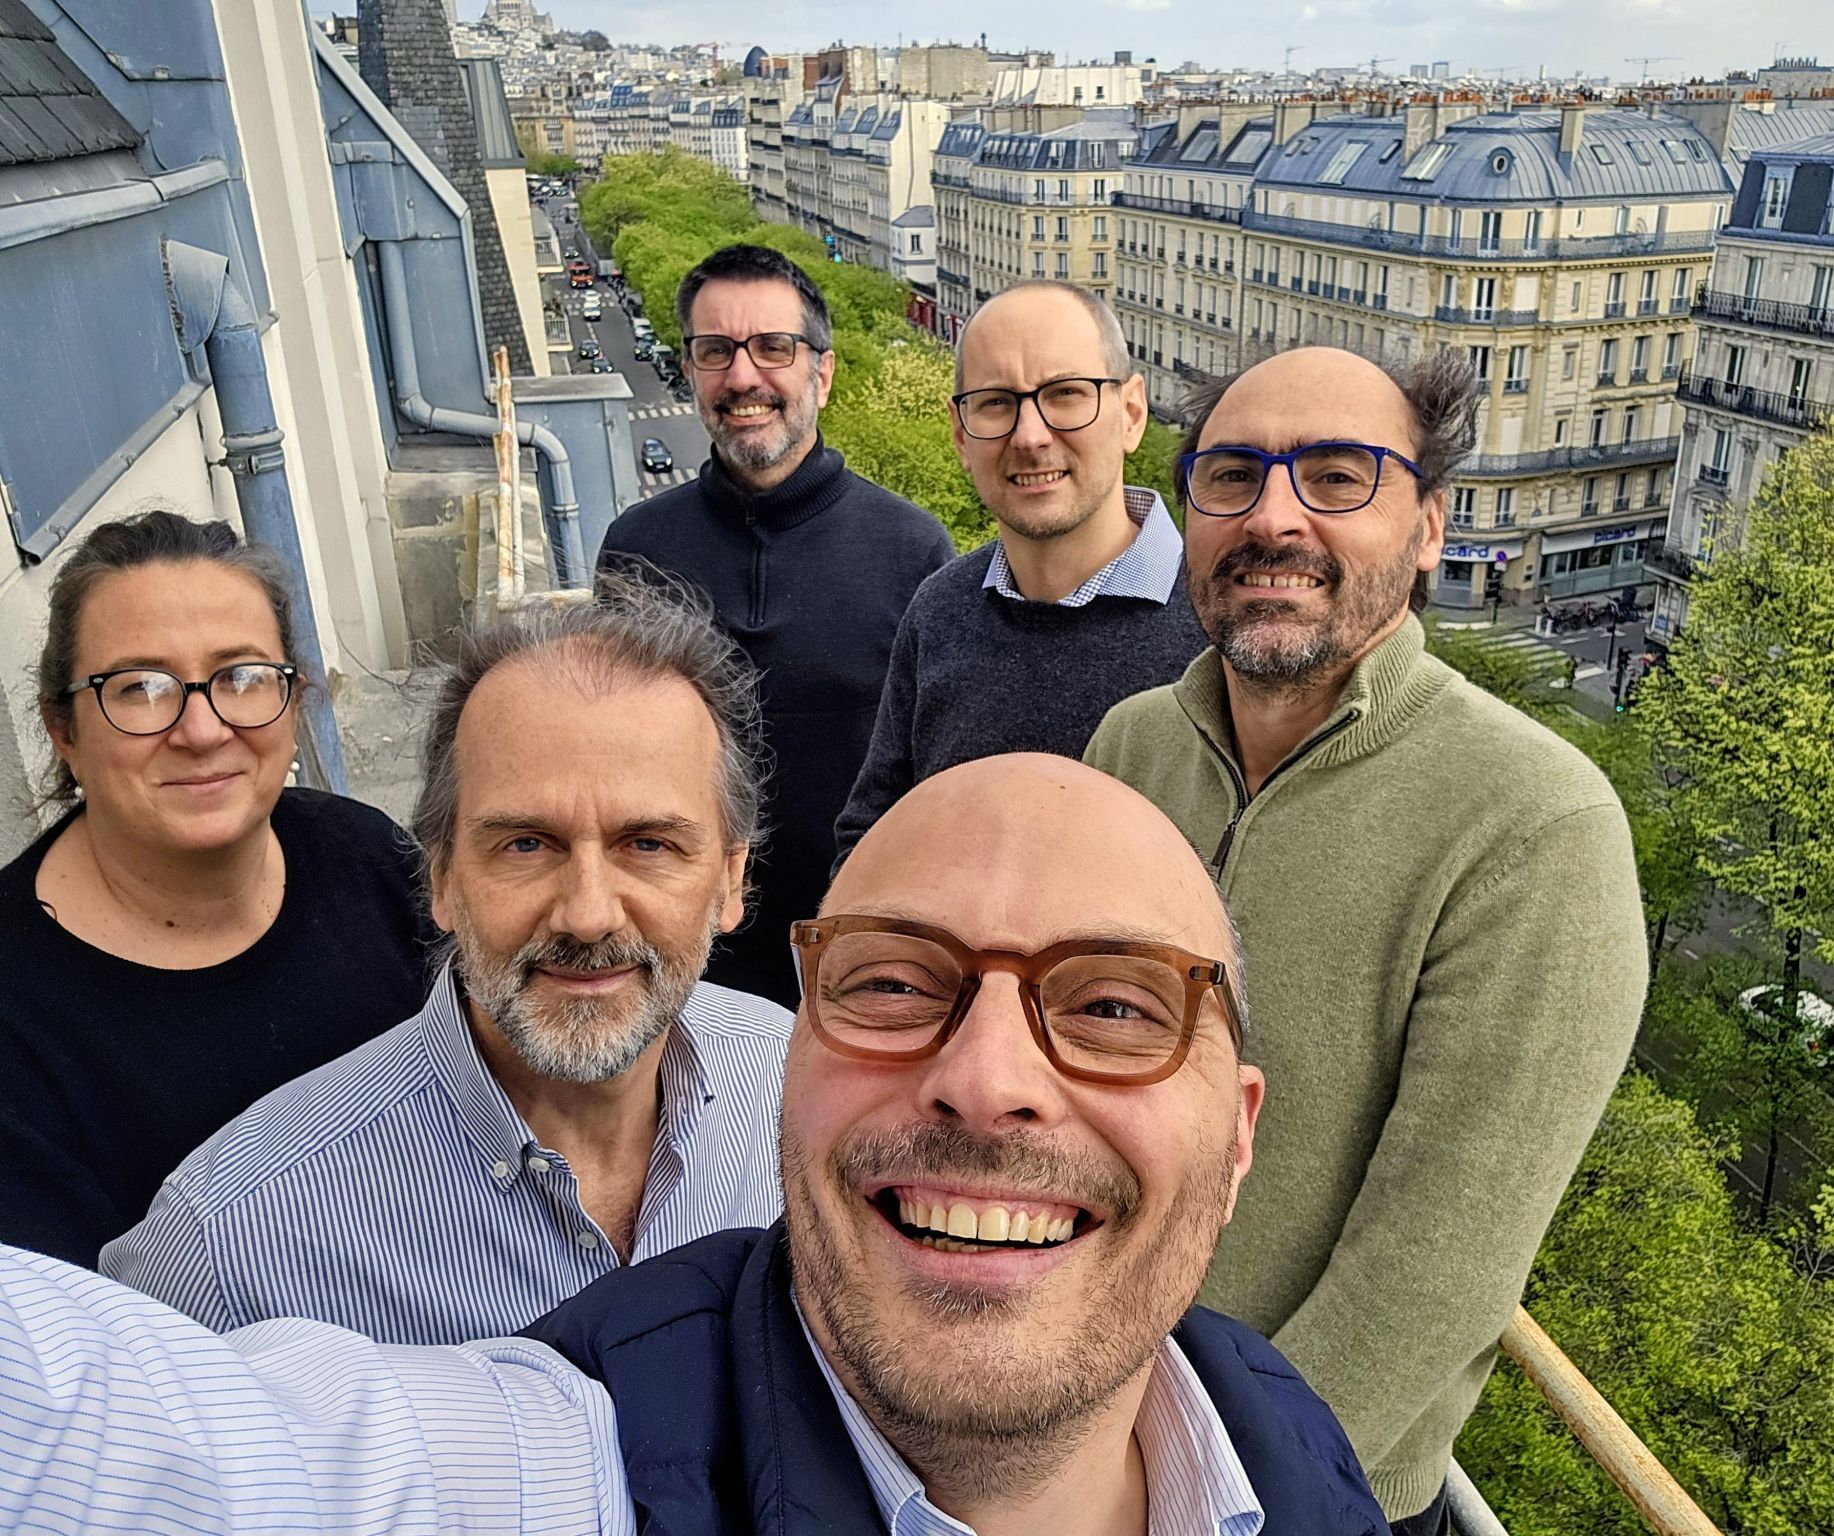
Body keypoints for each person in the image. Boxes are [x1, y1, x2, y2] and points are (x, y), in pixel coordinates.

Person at [0, 754, 1389, 1536]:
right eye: (891, 984)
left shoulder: (1278, 1441)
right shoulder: (576, 1454)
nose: (984, 1081)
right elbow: (141, 1438)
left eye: (1114, 1007)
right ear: (793, 1063)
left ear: (1236, 1136)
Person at [1085, 347, 1649, 1536]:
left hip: (1291, 1499)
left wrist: (1201, 1498)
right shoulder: (1130, 748)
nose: (1272, 516)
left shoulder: (1533, 824)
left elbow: (1430, 1277)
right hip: (1066, 1433)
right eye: (1230, 475)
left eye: (1338, 476)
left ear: (1429, 526)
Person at [102, 591, 789, 1343]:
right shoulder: (227, 1245)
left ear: (731, 881)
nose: (588, 914)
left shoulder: (791, 1080)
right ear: (441, 879)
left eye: (649, 844)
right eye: (526, 844)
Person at [0, 510, 434, 1269]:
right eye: (140, 688)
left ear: (292, 700)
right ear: (64, 730)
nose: (201, 731)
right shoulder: (16, 1015)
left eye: (241, 677)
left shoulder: (367, 858)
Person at [598, 243, 955, 1008]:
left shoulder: (913, 551)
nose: (742, 376)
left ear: (821, 375)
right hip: (680, 969)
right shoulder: (637, 552)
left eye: (773, 347)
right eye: (715, 350)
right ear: (690, 370)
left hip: (860, 963)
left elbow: (935, 781)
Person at [833, 283, 1206, 861]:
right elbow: (872, 840)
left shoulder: (1219, 620)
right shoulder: (940, 610)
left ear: (1131, 415)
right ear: (961, 435)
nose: (1030, 436)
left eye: (1066, 394)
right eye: (996, 403)